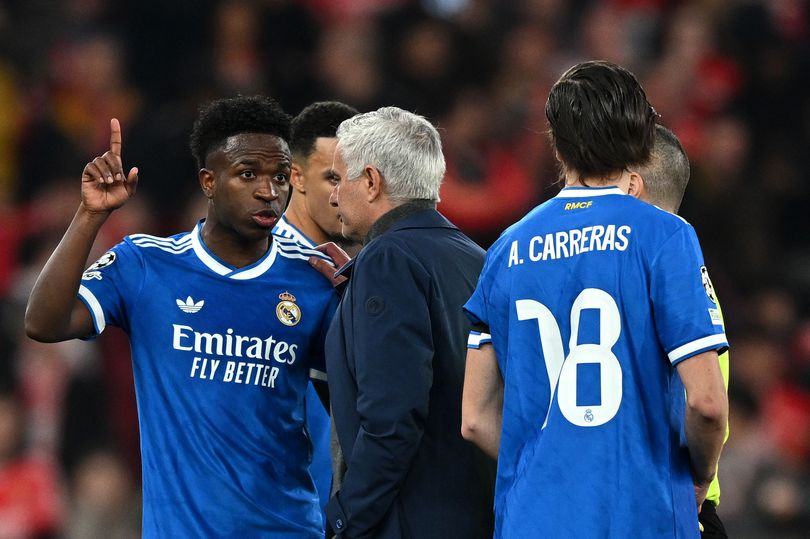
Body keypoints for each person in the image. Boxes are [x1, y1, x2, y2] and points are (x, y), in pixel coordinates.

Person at [24, 95, 339, 537]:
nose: (269, 191)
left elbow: (351, 409)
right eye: (248, 174)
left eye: (280, 177)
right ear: (209, 181)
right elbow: (43, 322)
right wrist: (90, 215)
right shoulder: (145, 265)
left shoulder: (314, 282)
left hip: (289, 529)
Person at [461, 61, 728, 538]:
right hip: (642, 515)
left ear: (557, 144)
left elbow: (476, 418)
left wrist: (554, 465)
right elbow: (707, 403)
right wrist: (700, 477)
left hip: (532, 520)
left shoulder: (505, 249)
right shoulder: (665, 235)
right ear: (642, 139)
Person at [324, 106, 495, 538]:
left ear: (370, 181)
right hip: (479, 516)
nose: (332, 197)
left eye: (337, 179)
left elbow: (393, 420)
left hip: (409, 520)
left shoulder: (387, 260)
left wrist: (345, 519)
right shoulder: (477, 258)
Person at [635, 124, 730, 539]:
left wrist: (699, 477)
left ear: (633, 186)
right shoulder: (688, 274)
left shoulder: (666, 272)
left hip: (677, 501)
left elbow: (706, 404)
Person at [272, 100, 360, 518]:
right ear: (295, 176)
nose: (342, 194)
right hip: (280, 503)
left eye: (350, 179)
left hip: (330, 503)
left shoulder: (342, 269)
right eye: (331, 179)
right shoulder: (267, 267)